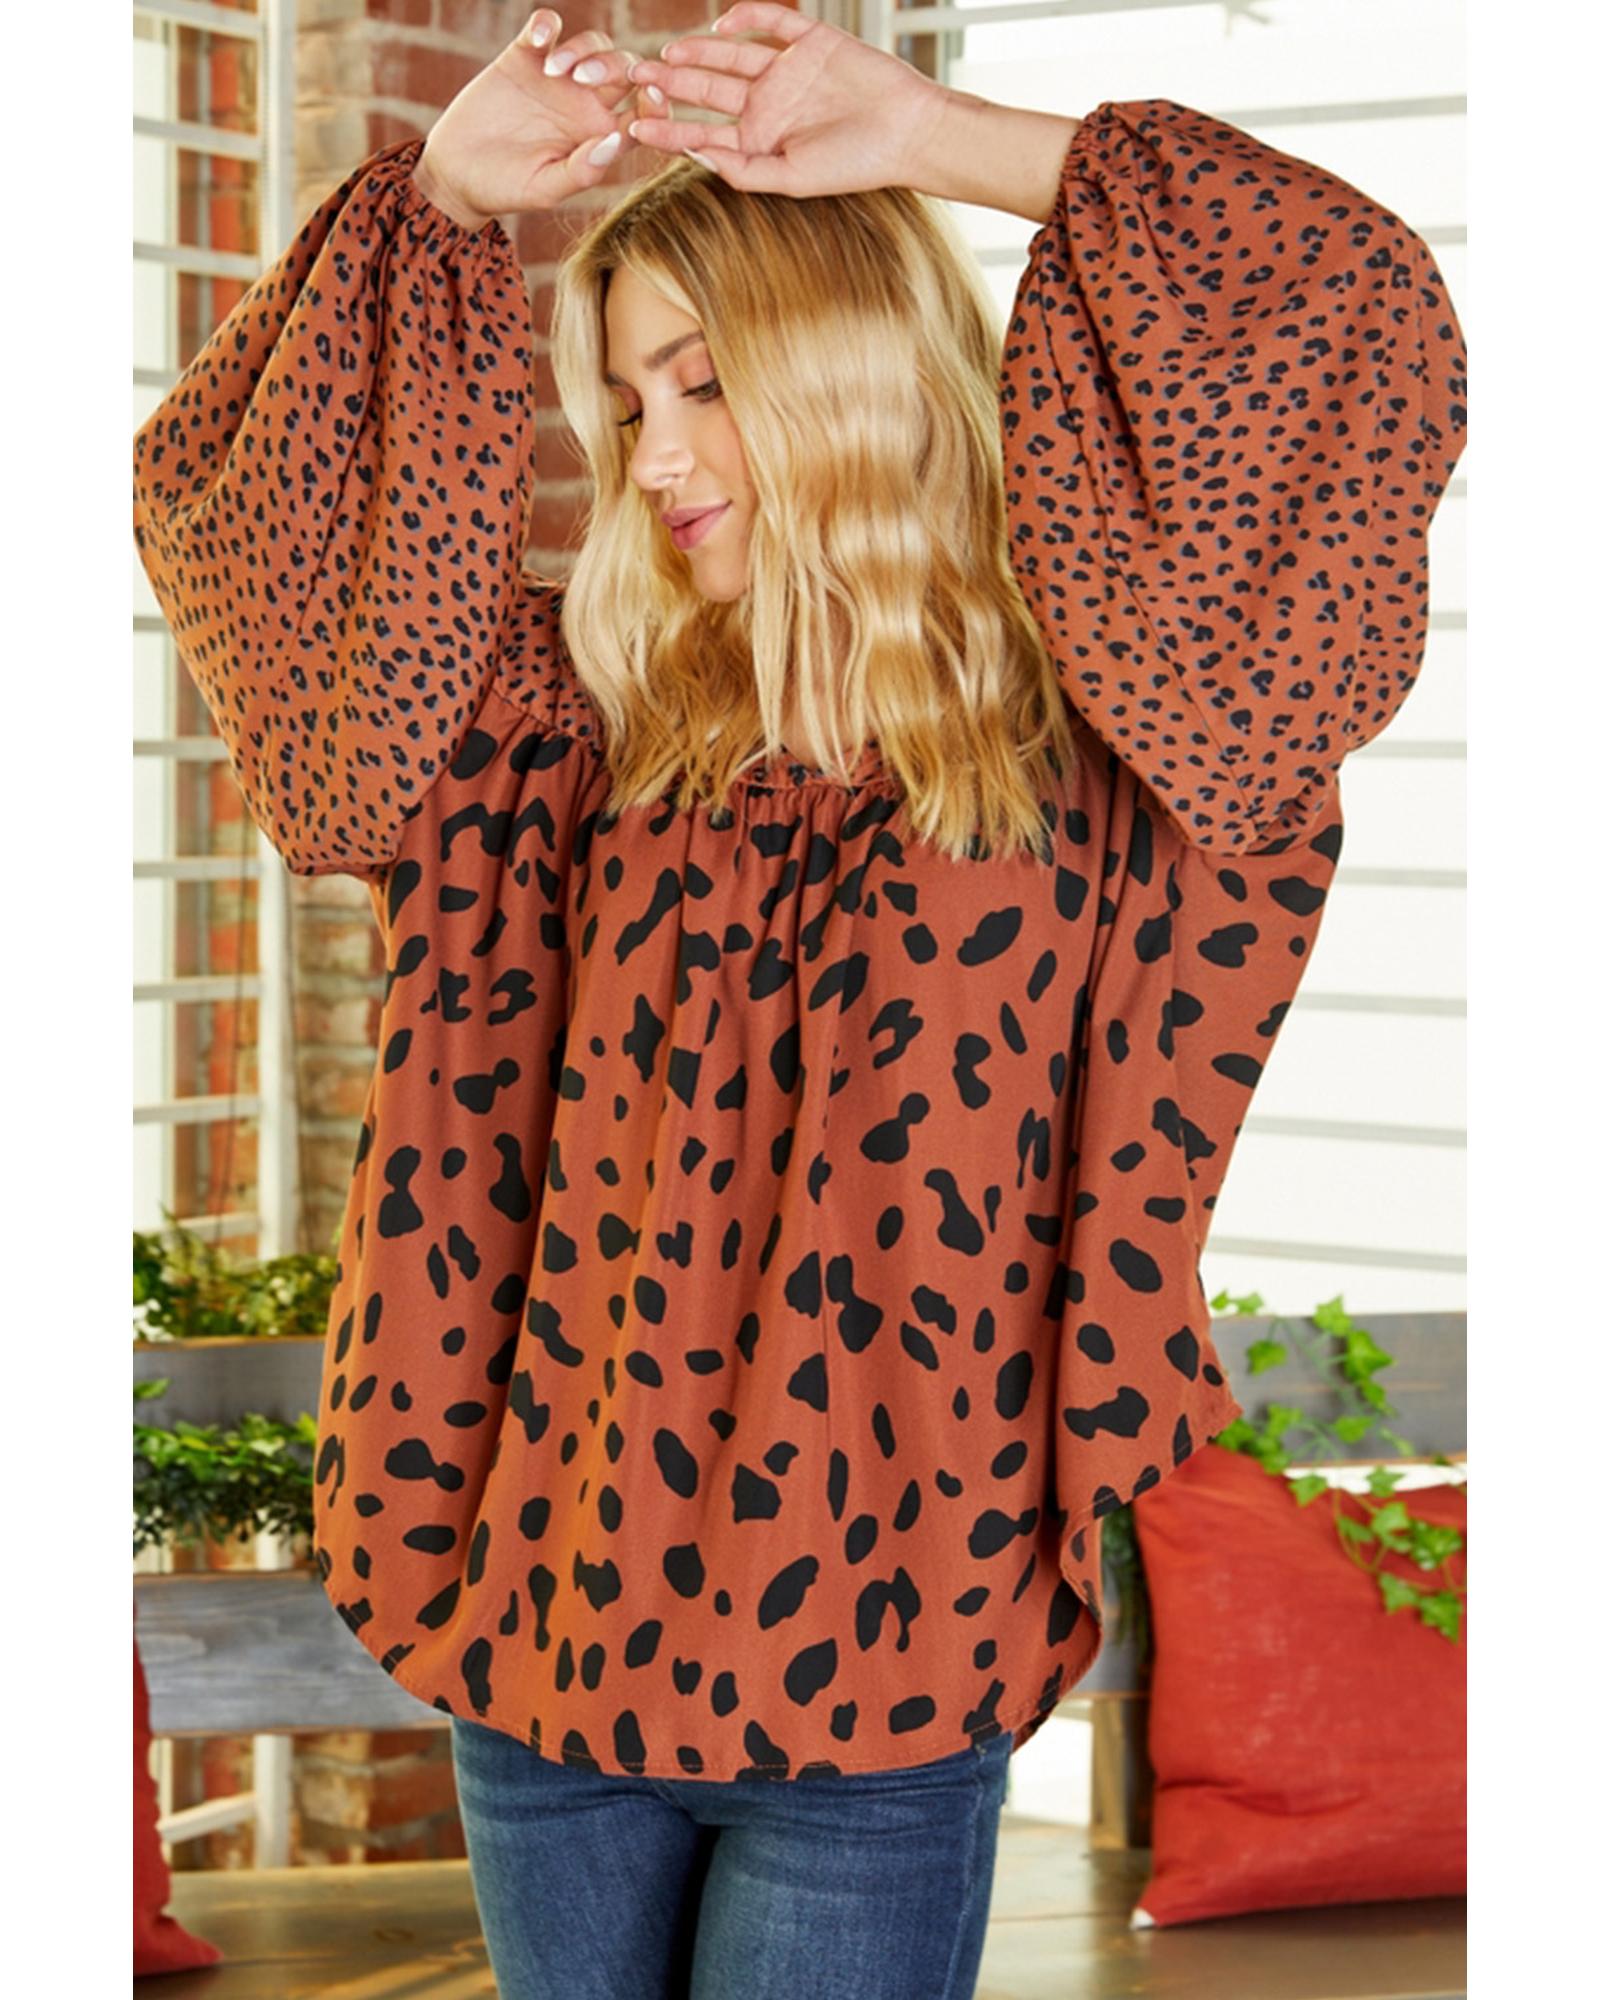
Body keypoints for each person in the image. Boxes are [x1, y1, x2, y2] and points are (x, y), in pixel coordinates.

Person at [130, 7, 1467, 1996]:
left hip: (884, 1690)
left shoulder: (1121, 740)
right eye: (618, 398)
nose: (651, 456)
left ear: (848, 364)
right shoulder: (549, 742)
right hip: (542, 1659)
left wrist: (933, 134)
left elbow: (1345, 317)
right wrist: (437, 203)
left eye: (703, 381)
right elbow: (243, 518)